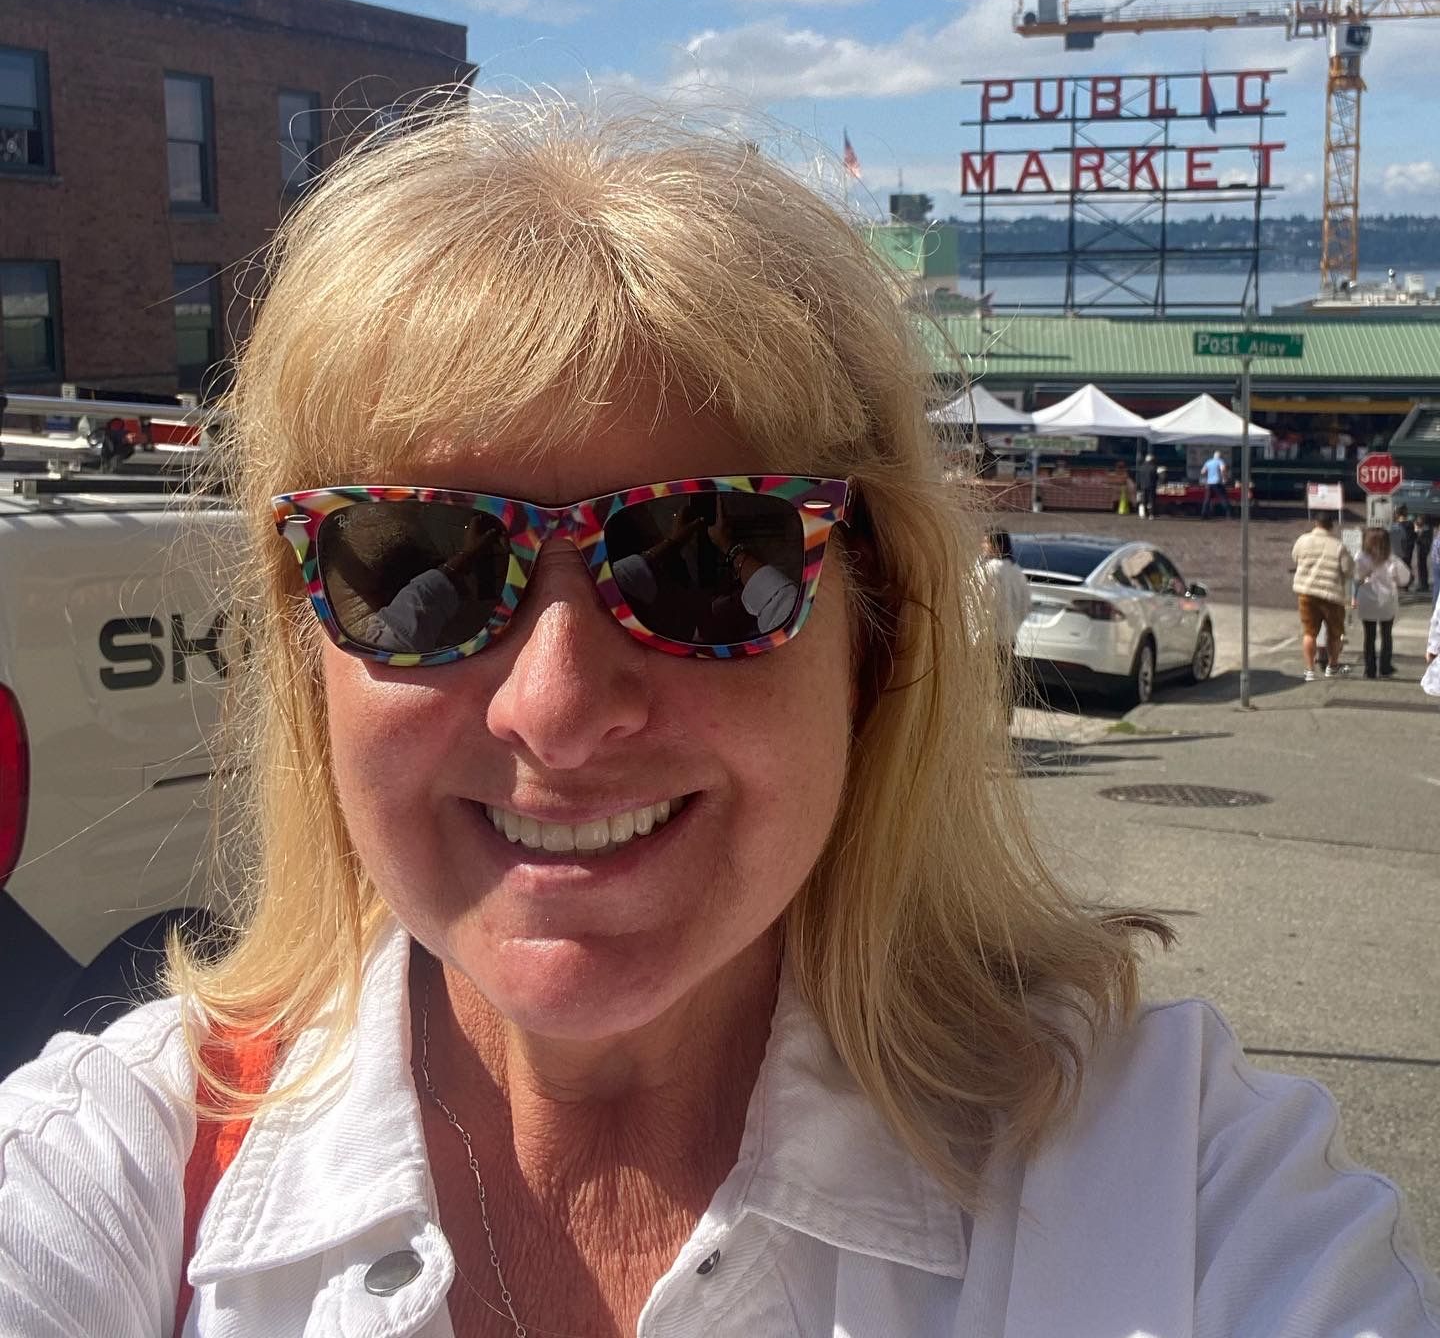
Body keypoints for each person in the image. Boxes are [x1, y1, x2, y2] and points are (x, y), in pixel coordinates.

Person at [2, 103, 1436, 1338]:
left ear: (875, 630)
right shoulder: (122, 1174)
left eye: (700, 558)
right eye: (419, 566)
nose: (555, 709)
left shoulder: (1166, 1190)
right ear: (312, 641)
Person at [1292, 508, 1354, 682]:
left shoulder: (1302, 540)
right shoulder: (1338, 546)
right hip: (1331, 594)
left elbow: (1295, 557)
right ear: (1331, 527)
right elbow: (1348, 570)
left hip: (1306, 592)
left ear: (1316, 524)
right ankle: (1332, 666)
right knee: (1334, 633)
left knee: (1309, 632)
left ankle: (1309, 670)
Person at [978, 526, 1032, 691]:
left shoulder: (989, 570)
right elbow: (1026, 606)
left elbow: (980, 604)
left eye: (986, 542)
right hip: (1008, 638)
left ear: (998, 546)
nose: (983, 546)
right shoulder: (1017, 572)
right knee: (1003, 687)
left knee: (982, 687)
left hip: (985, 639)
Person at [1353, 526, 1411, 679]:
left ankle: (1369, 669)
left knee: (1369, 636)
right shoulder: (1392, 560)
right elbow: (1404, 579)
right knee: (1386, 634)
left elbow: (1356, 577)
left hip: (1367, 599)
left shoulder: (1360, 557)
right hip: (1386, 601)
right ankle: (1385, 666)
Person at [1199, 447, 1230, 518]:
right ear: (1220, 456)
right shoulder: (1220, 461)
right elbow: (1223, 470)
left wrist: (1208, 475)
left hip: (1209, 483)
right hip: (1217, 482)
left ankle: (1204, 515)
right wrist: (1224, 478)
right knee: (1223, 498)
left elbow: (1202, 472)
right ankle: (1228, 514)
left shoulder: (1208, 462)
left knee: (1207, 499)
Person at [1391, 504, 1416, 574]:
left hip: (1397, 556)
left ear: (1397, 513)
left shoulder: (1395, 526)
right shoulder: (1410, 525)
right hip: (1407, 555)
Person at [1134, 450, 1158, 520]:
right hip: (1151, 486)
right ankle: (1151, 514)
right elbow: (1155, 477)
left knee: (1143, 500)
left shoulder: (1141, 467)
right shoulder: (1153, 467)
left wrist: (1138, 486)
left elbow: (1138, 478)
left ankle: (1143, 514)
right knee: (1151, 501)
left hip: (1143, 486)